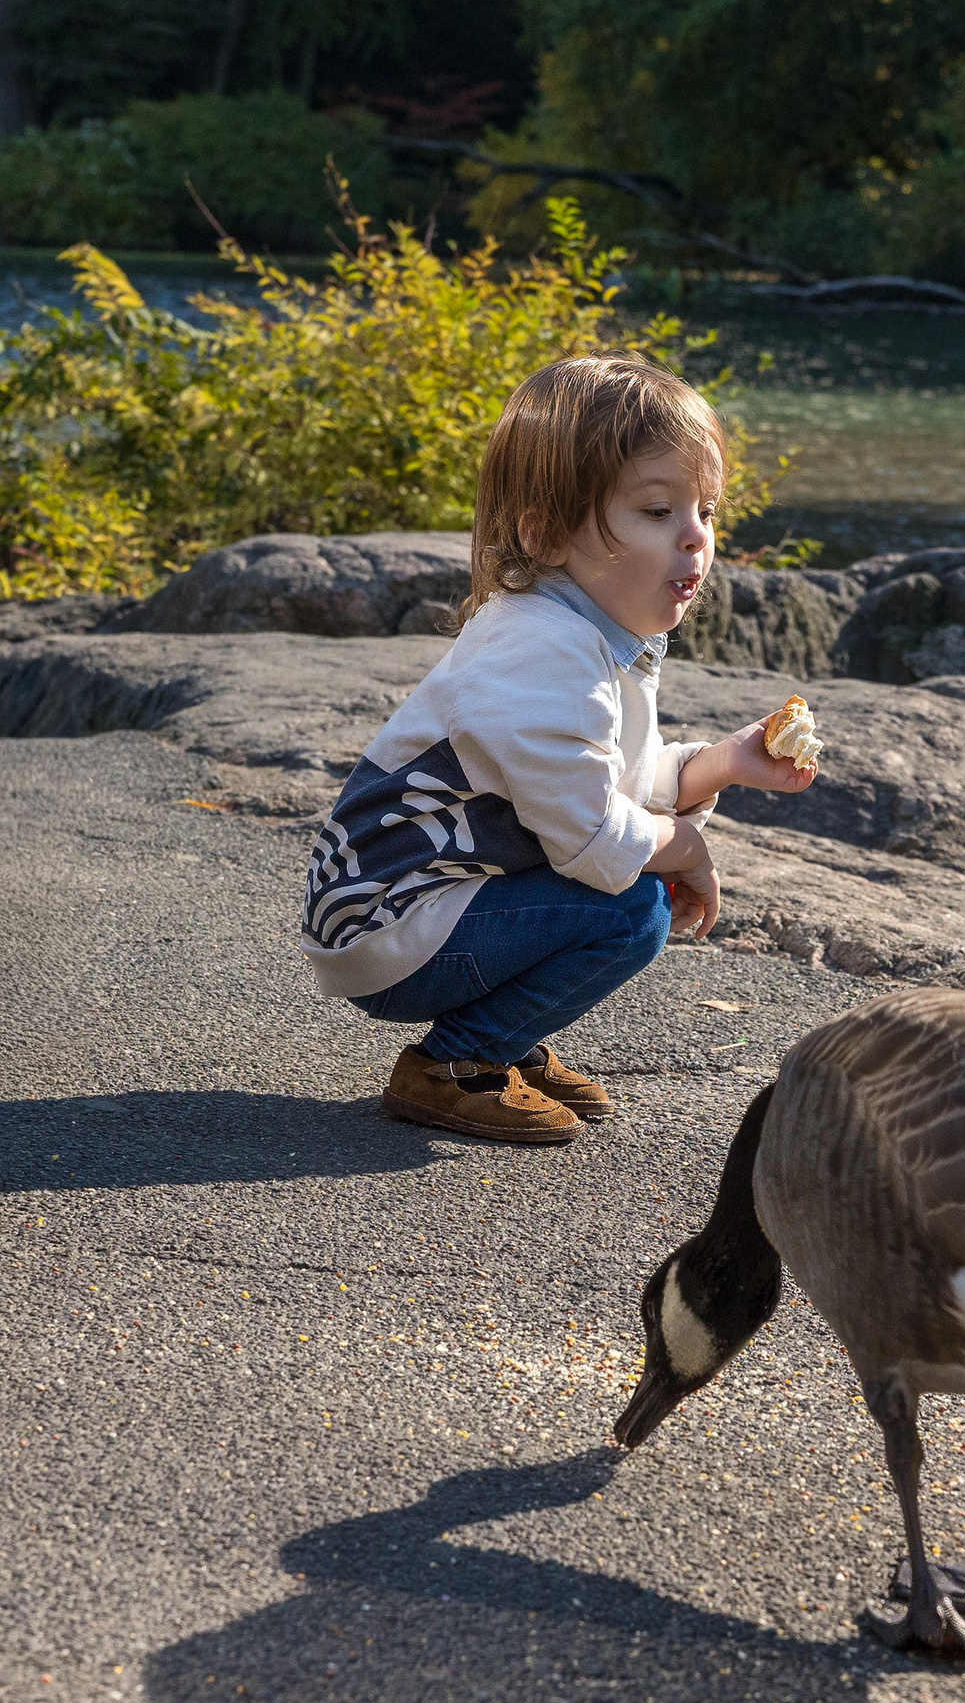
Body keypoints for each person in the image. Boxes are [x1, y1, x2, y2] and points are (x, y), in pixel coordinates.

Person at [299, 354, 817, 1143]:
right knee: (632, 909)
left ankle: (500, 1038)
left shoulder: (586, 634)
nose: (696, 540)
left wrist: (723, 762)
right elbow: (592, 839)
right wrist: (683, 849)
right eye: (657, 511)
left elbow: (614, 783)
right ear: (544, 531)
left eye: (705, 510)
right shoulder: (542, 650)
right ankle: (458, 1062)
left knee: (625, 889)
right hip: (392, 922)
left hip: (428, 905)